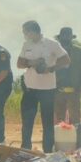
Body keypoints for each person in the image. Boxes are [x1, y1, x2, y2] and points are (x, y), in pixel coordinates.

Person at [16, 20, 69, 152]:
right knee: (27, 120)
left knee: (47, 122)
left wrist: (50, 68)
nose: (24, 35)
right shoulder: (26, 44)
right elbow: (19, 63)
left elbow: (66, 60)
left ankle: (47, 150)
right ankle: (25, 148)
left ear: (32, 31)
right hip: (30, 88)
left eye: (25, 32)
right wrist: (31, 62)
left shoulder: (52, 44)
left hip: (47, 89)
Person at [55, 27, 81, 125]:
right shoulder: (54, 52)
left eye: (68, 36)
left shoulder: (80, 52)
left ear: (71, 37)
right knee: (58, 120)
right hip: (57, 91)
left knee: (75, 120)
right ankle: (58, 140)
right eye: (64, 36)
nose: (66, 38)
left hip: (74, 91)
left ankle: (76, 139)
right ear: (60, 38)